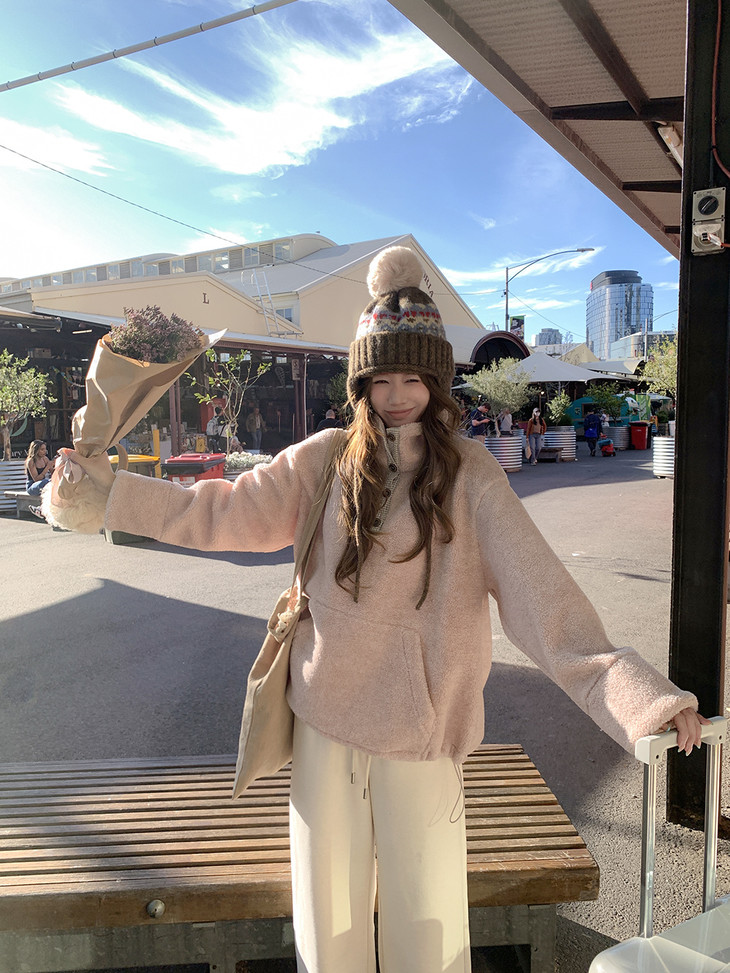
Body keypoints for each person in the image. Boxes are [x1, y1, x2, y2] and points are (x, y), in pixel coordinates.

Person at [61, 246, 706, 973]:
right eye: (381, 378)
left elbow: (544, 601)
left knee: (427, 932)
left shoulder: (470, 475)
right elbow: (223, 511)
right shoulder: (324, 459)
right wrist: (111, 495)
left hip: (421, 741)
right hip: (324, 724)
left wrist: (644, 700)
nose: (397, 395)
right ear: (361, 382)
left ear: (436, 383)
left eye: (414, 378)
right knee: (327, 922)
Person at [24, 440, 54, 519]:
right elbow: (36, 479)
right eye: (42, 449)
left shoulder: (45, 459)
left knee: (51, 484)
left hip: (44, 485)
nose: (45, 451)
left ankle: (41, 509)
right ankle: (41, 509)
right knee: (46, 482)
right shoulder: (31, 461)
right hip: (32, 485)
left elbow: (53, 473)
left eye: (45, 449)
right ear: (36, 450)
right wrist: (47, 468)